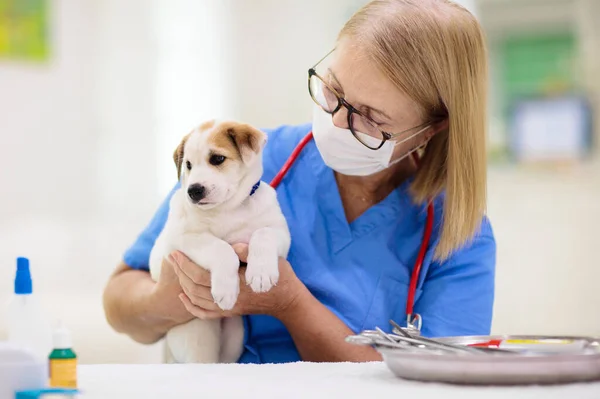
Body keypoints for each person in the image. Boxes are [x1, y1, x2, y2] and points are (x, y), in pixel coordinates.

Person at [103, 0, 495, 363]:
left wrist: (289, 303)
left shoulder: (459, 235)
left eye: (370, 116)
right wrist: (171, 299)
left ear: (430, 129)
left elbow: (441, 378)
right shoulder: (246, 165)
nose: (337, 122)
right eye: (334, 90)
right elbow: (119, 302)